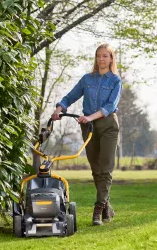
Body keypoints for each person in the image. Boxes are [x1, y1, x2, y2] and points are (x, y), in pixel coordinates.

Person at [51, 43, 122, 226]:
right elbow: (69, 97)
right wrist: (59, 109)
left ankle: (98, 209)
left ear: (111, 58)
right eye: (98, 55)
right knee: (96, 169)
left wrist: (89, 116)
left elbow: (109, 107)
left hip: (107, 126)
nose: (101, 59)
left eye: (105, 56)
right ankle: (107, 207)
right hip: (89, 128)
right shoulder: (86, 79)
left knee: (105, 168)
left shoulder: (115, 81)